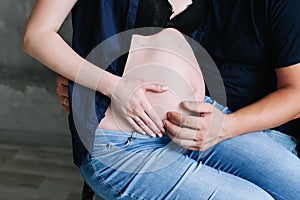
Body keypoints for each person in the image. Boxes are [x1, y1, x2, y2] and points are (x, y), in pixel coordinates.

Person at [24, 0, 300, 199]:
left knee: (294, 183)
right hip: (124, 142)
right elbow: (36, 36)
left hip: (195, 122)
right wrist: (109, 85)